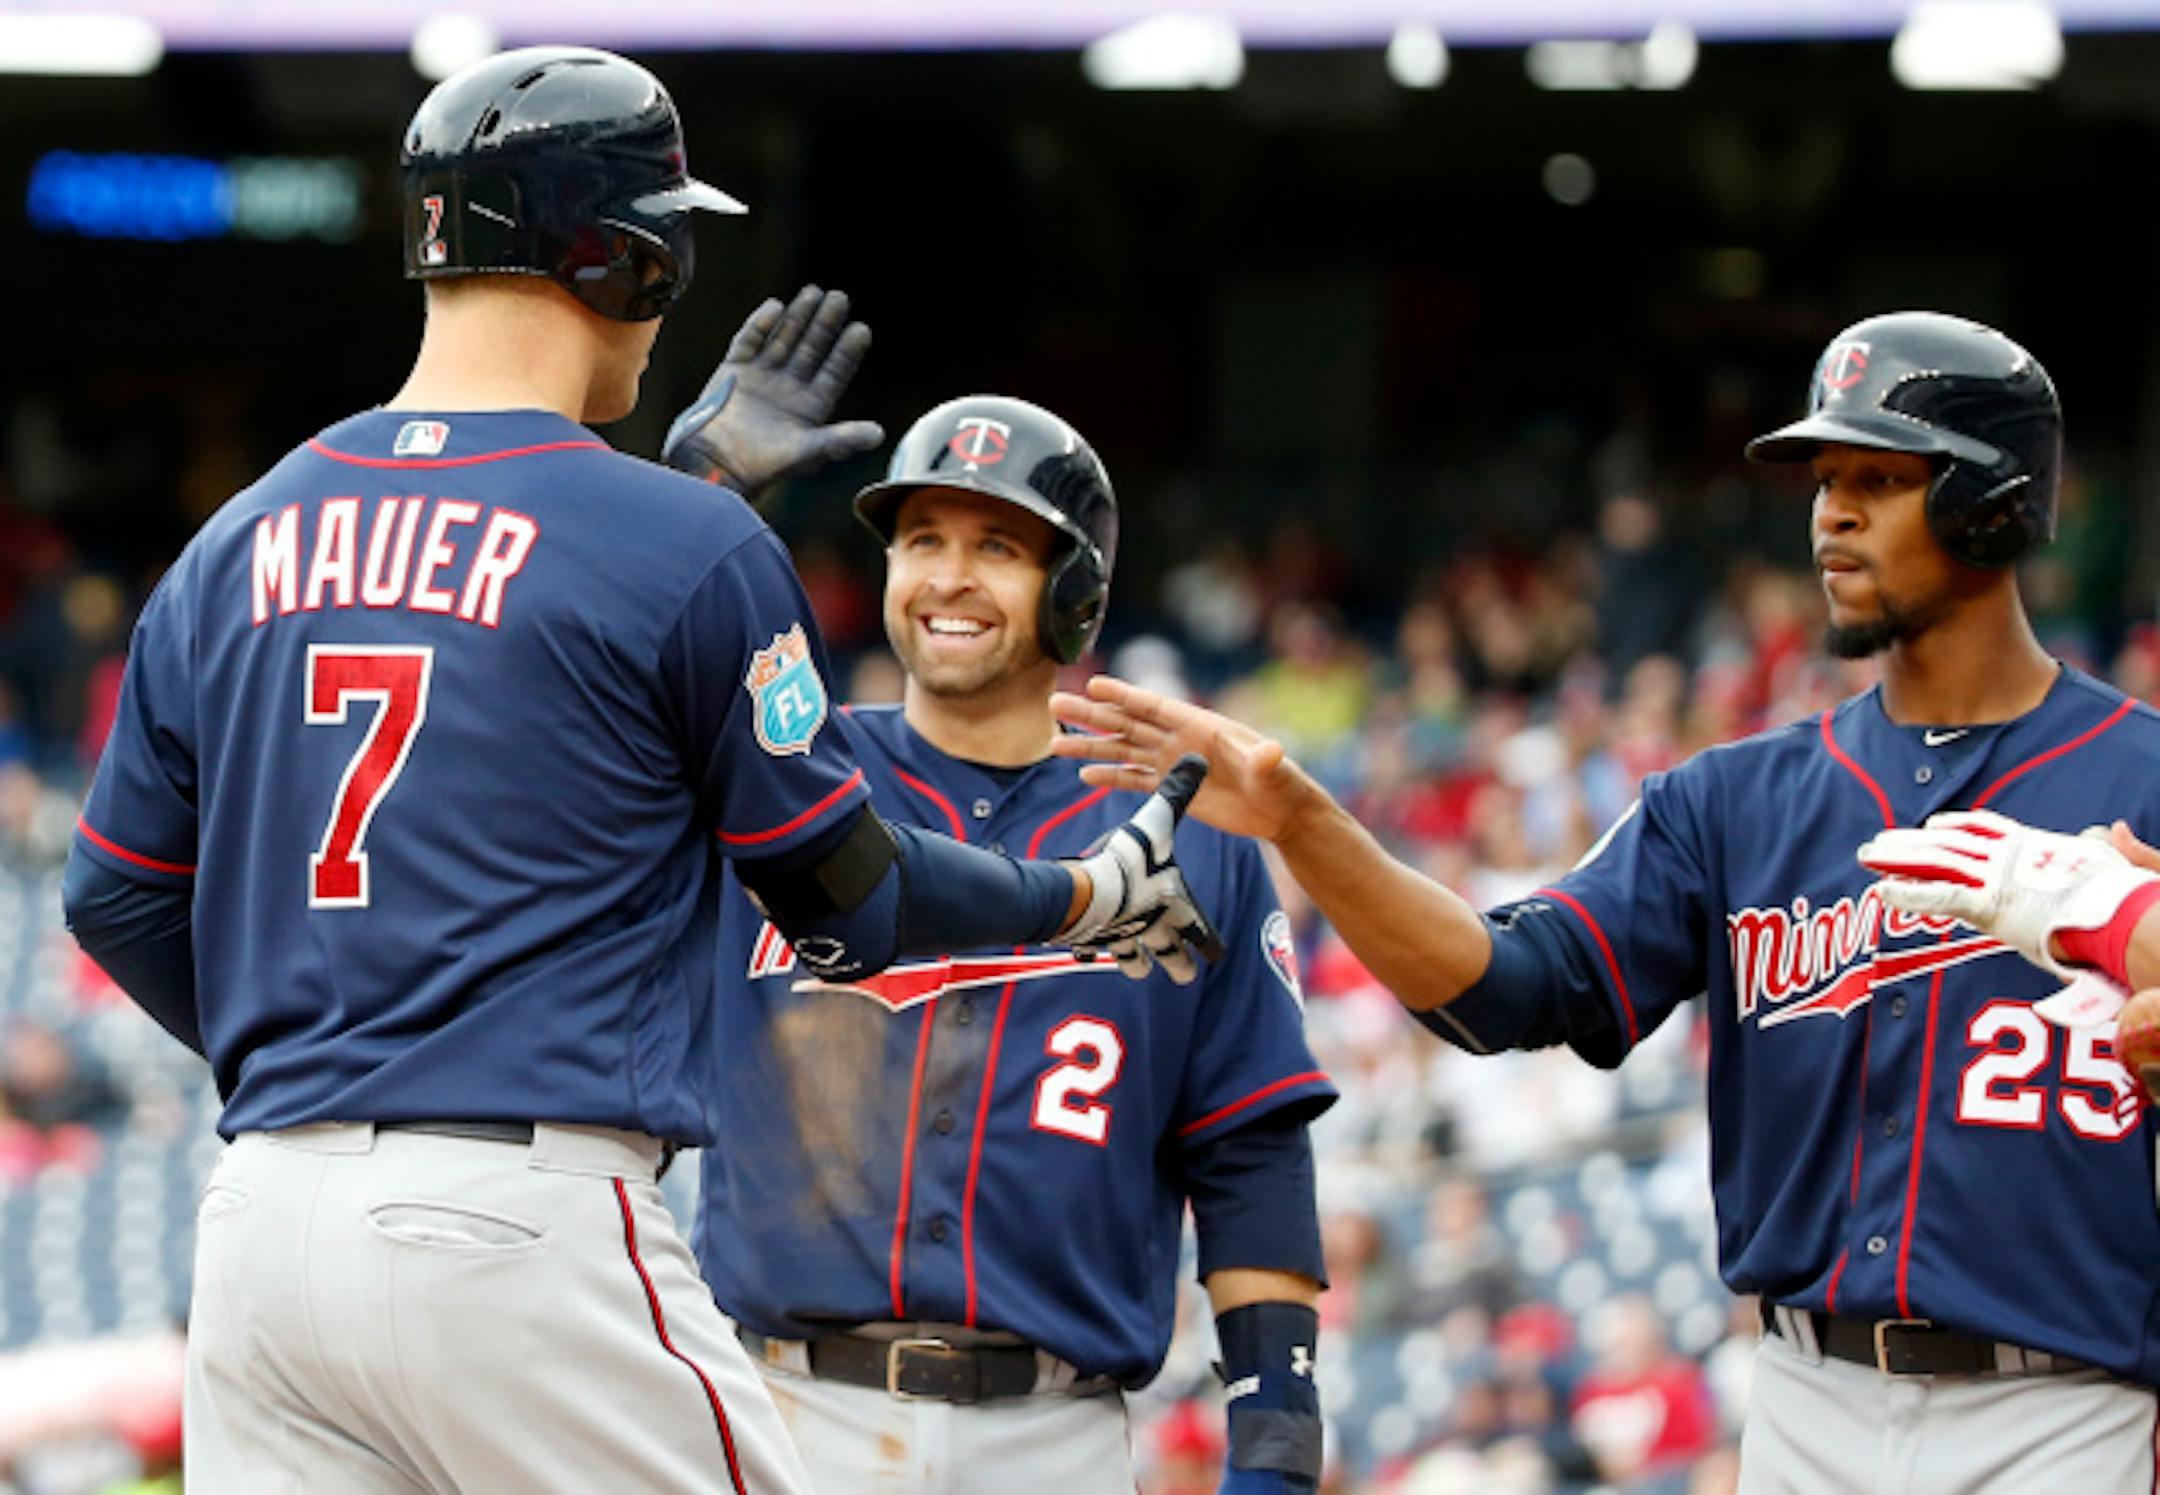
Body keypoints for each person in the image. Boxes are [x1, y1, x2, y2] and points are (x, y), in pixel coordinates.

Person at [61, 49, 1217, 1494]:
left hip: (261, 1222)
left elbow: (114, 897)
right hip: (521, 1224)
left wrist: (328, 1064)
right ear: (625, 260)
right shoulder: (684, 545)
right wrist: (1078, 895)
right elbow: (847, 901)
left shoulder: (236, 537)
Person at [1053, 311, 2160, 1492]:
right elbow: (1502, 989)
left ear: (1995, 504)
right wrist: (1303, 821)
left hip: (2068, 1406)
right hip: (1805, 1399)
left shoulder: (2139, 777)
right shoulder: (1735, 798)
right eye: (1826, 479)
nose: (1829, 514)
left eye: (1878, 481)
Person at [695, 395, 1337, 1494]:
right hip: (778, 1409)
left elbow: (1248, 1151)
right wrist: (698, 507)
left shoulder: (1188, 834)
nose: (949, 576)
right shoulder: (776, 776)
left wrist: (1275, 1445)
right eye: (923, 540)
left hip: (1054, 1433)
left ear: (1076, 592)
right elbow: (579, 719)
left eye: (998, 545)